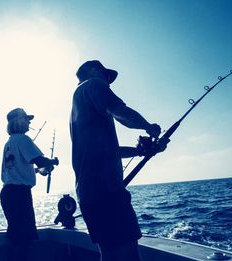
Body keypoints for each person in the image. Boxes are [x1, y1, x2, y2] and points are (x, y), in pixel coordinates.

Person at [70, 60, 166, 261]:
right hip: (107, 189)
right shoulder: (93, 85)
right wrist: (148, 127)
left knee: (110, 253)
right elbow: (119, 110)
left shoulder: (78, 108)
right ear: (94, 72)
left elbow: (107, 151)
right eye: (107, 78)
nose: (108, 84)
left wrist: (140, 152)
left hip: (88, 192)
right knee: (129, 253)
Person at [0, 108, 58, 261]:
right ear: (19, 121)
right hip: (19, 195)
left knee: (15, 236)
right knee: (23, 240)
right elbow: (39, 160)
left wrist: (39, 171)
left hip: (8, 193)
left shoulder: (9, 143)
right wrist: (52, 162)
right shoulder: (23, 139)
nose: (29, 122)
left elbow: (19, 167)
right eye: (26, 119)